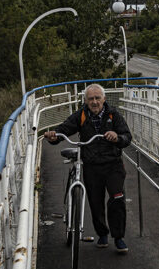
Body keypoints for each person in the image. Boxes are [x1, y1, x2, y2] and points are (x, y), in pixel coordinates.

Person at [44, 84, 133, 253]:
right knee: (95, 202)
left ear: (104, 99)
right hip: (92, 165)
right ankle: (102, 234)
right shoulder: (81, 115)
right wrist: (53, 136)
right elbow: (64, 129)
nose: (94, 102)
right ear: (85, 100)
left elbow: (127, 137)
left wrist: (117, 137)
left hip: (113, 164)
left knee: (117, 198)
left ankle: (119, 237)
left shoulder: (114, 115)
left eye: (97, 98)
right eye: (91, 98)